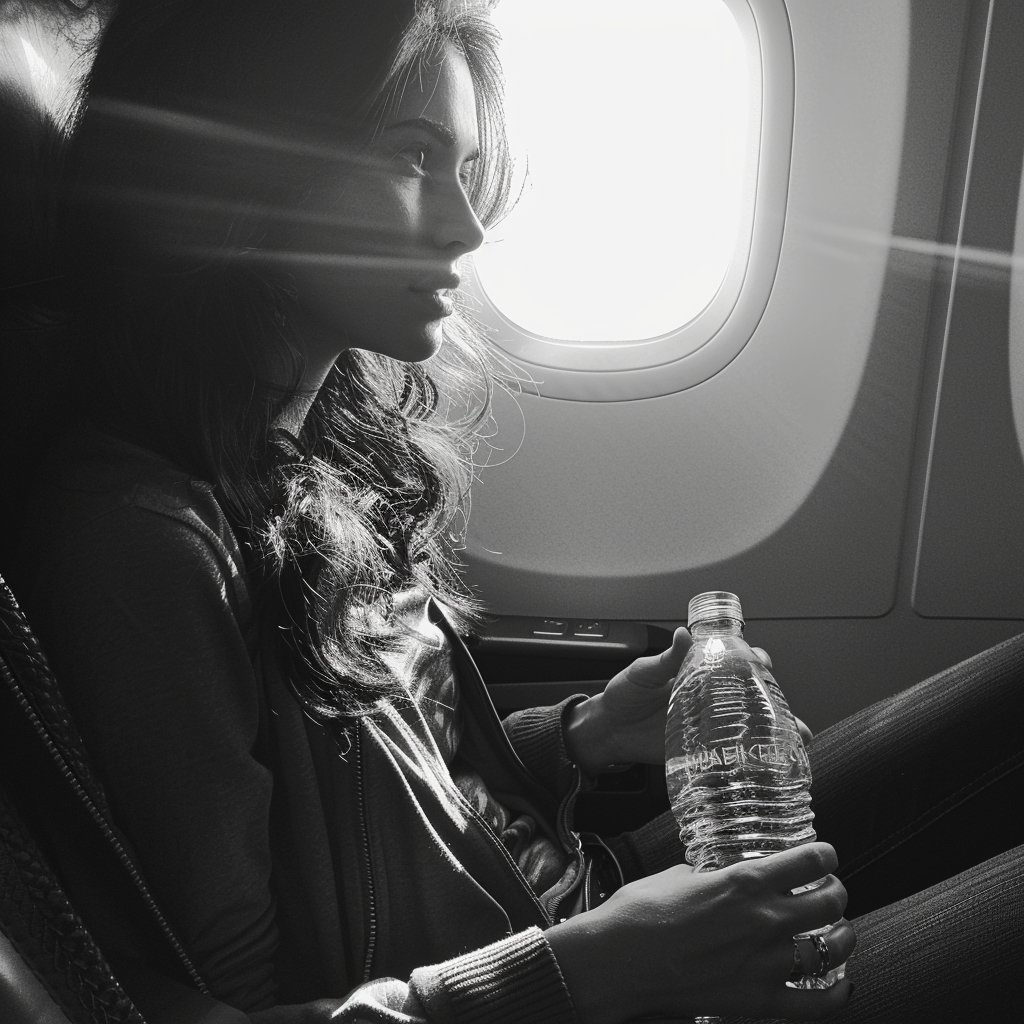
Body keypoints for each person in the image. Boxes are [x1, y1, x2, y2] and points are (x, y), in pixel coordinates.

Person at [11, 1, 1022, 1022]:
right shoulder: (139, 546)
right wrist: (588, 972)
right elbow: (225, 1002)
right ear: (248, 166)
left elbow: (411, 809)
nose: (467, 222)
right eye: (413, 155)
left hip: (573, 903)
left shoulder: (302, 460)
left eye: (466, 169)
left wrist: (582, 734)